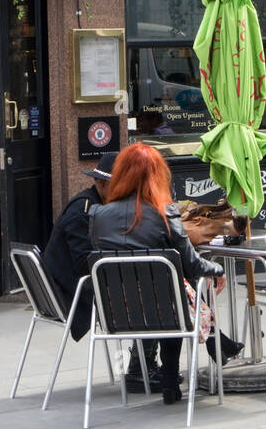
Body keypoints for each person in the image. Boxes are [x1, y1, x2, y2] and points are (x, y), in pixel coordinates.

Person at [89, 144, 227, 404]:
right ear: (157, 175)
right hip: (165, 312)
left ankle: (209, 353)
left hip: (118, 314)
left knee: (165, 291)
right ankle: (173, 376)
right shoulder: (165, 212)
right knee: (174, 294)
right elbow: (194, 264)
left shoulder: (98, 215)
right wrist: (218, 269)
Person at [42, 152, 118, 344]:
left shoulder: (97, 205)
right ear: (101, 184)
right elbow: (84, 263)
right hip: (69, 294)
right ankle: (140, 365)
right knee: (153, 296)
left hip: (75, 287)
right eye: (120, 187)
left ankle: (141, 364)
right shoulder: (83, 210)